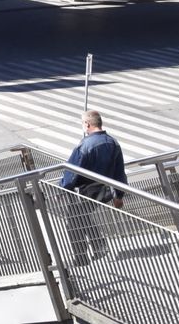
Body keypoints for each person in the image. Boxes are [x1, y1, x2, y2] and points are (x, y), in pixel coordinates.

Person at [61, 110, 126, 265]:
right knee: (83, 216)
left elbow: (72, 171)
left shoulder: (85, 145)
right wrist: (119, 195)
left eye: (82, 123)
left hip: (87, 189)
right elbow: (119, 170)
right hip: (105, 190)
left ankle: (82, 258)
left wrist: (63, 188)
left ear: (87, 124)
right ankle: (98, 246)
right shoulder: (112, 142)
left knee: (74, 221)